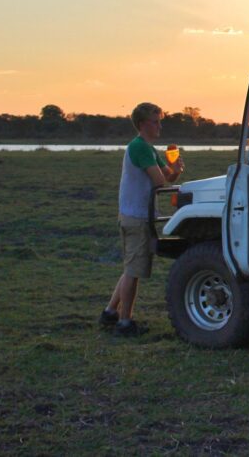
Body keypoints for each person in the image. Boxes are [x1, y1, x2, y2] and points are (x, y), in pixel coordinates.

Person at [99, 102, 184, 336]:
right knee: (133, 271)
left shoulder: (148, 148)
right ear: (142, 124)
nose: (160, 126)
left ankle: (110, 313)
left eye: (160, 121)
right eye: (155, 122)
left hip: (135, 215)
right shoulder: (140, 148)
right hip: (136, 217)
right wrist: (168, 174)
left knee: (130, 268)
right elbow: (159, 181)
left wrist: (176, 168)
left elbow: (168, 176)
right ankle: (125, 323)